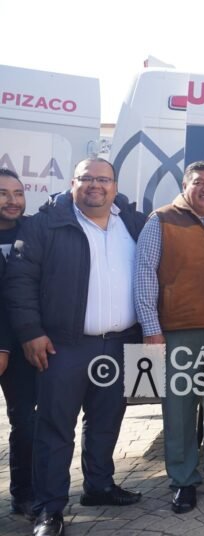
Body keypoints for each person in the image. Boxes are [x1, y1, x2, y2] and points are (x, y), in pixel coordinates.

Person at [4, 158, 145, 536]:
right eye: (87, 178)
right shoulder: (44, 224)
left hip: (119, 343)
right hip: (63, 346)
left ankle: (99, 486)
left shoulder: (133, 223)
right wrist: (31, 332)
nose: (95, 185)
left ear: (115, 186)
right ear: (73, 183)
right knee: (54, 427)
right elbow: (19, 282)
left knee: (106, 421)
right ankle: (49, 507)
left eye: (103, 179)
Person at [135, 160, 204, 513]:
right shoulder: (161, 220)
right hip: (176, 332)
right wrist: (151, 328)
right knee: (179, 409)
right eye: (199, 182)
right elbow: (144, 275)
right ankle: (182, 479)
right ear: (185, 184)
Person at [0, 169, 37, 519]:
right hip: (4, 344)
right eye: (4, 193)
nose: (12, 200)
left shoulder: (33, 230)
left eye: (18, 193)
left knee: (26, 422)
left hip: (28, 345)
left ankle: (24, 493)